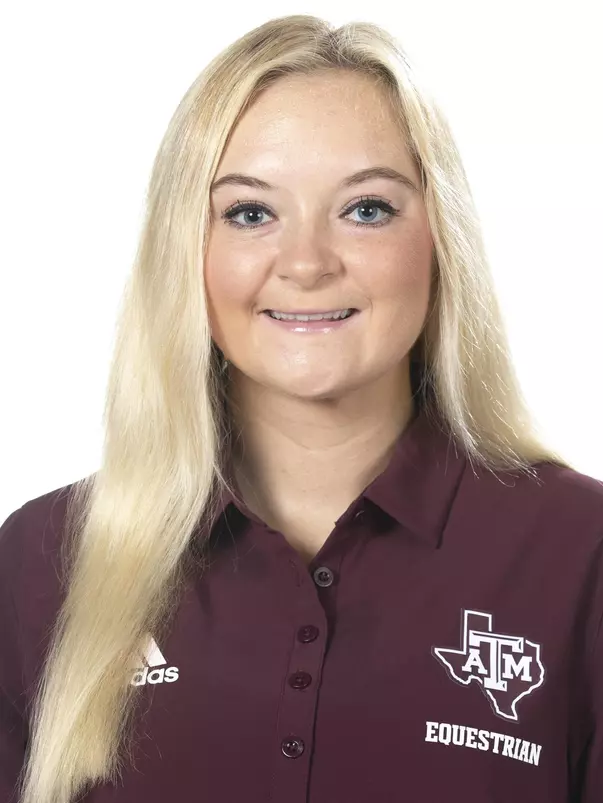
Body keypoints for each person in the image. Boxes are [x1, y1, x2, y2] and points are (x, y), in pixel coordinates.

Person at [1, 13, 602, 803]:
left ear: (440, 239)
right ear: (189, 250)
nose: (309, 263)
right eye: (250, 213)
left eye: (366, 209)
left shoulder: (578, 553)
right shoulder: (40, 563)